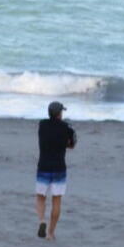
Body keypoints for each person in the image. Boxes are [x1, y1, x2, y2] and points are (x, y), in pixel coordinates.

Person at [35, 100, 76, 238]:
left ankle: (41, 220)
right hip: (59, 168)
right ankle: (51, 232)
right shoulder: (66, 128)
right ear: (59, 114)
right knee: (56, 200)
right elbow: (72, 144)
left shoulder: (42, 125)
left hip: (43, 166)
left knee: (41, 197)